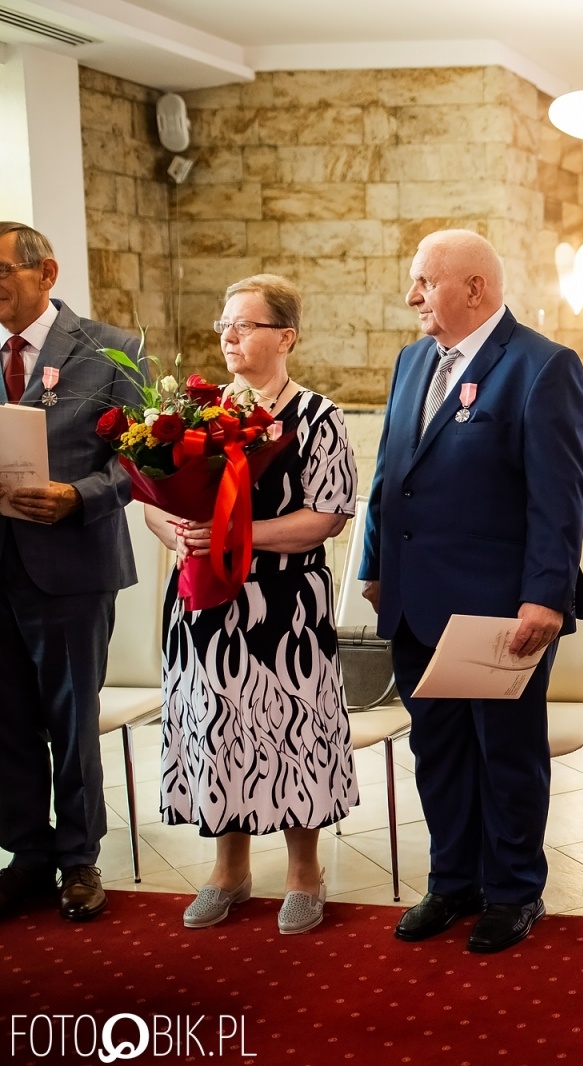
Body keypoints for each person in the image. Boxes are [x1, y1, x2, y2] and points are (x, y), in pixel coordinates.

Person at [361, 229, 583, 954]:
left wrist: (545, 596)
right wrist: (372, 565)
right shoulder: (410, 362)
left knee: (506, 755)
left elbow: (560, 498)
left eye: (424, 283)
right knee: (438, 753)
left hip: (499, 606)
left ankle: (515, 890)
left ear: (475, 290)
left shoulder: (541, 366)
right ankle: (451, 881)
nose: (412, 297)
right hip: (411, 598)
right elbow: (387, 475)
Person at [146, 274, 357, 935]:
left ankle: (304, 873)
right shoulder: (193, 417)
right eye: (224, 325)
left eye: (246, 324)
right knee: (217, 729)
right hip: (205, 604)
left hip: (284, 607)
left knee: (291, 731)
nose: (230, 335)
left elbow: (328, 515)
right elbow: (150, 502)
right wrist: (179, 531)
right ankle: (228, 870)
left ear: (285, 337)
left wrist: (239, 536)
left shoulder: (318, 417)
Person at [0, 222, 142, 923]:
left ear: (45, 272)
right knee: (8, 719)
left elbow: (144, 459)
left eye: (0, 270)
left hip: (70, 563)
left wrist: (77, 496)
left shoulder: (112, 349)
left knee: (71, 716)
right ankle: (27, 854)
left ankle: (79, 858)